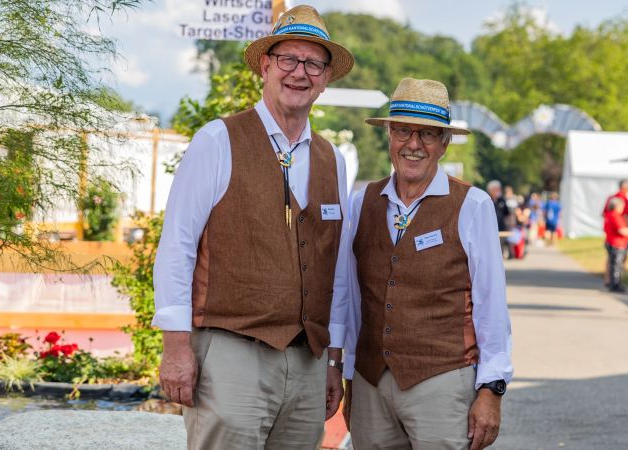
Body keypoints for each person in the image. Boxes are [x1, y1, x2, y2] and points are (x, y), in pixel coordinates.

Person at [152, 6, 354, 449]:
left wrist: (334, 360)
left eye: (313, 63)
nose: (299, 73)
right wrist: (176, 346)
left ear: (325, 77)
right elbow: (177, 247)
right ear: (265, 65)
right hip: (229, 352)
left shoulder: (332, 160)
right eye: (288, 60)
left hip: (307, 360)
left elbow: (335, 270)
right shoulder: (217, 140)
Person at [342, 78, 513, 450]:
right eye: (403, 130)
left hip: (442, 381)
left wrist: (492, 388)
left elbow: (491, 304)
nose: (414, 145)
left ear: (444, 142)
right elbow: (353, 299)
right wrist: (349, 374)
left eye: (428, 134)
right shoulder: (362, 201)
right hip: (370, 383)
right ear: (389, 134)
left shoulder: (473, 204)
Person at [603, 197, 628, 292]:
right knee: (617, 265)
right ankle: (616, 284)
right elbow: (622, 230)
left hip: (611, 242)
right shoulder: (615, 216)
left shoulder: (609, 215)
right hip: (617, 244)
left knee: (613, 264)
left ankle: (613, 283)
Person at [488, 180, 512, 258]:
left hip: (501, 227)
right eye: (496, 189)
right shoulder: (487, 200)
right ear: (491, 190)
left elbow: (507, 213)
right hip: (490, 228)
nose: (498, 191)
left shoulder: (502, 200)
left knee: (500, 247)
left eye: (499, 189)